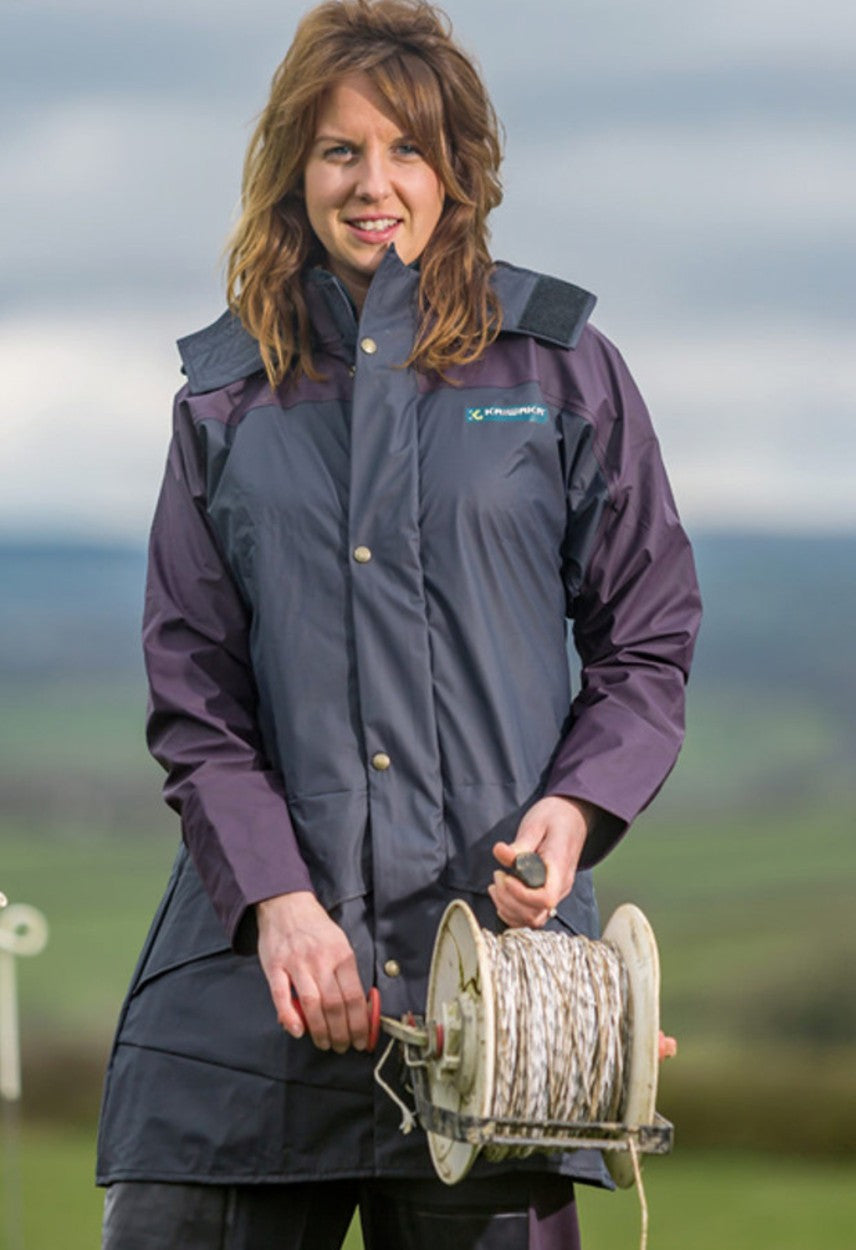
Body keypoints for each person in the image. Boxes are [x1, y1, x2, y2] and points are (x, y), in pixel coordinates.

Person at [96, 2, 701, 1246]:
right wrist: (276, 897)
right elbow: (195, 695)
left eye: (407, 150)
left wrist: (576, 807)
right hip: (250, 997)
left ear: (458, 170)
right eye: (339, 151)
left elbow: (646, 637)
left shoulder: (559, 369)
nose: (374, 185)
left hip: (499, 995)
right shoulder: (224, 398)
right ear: (293, 171)